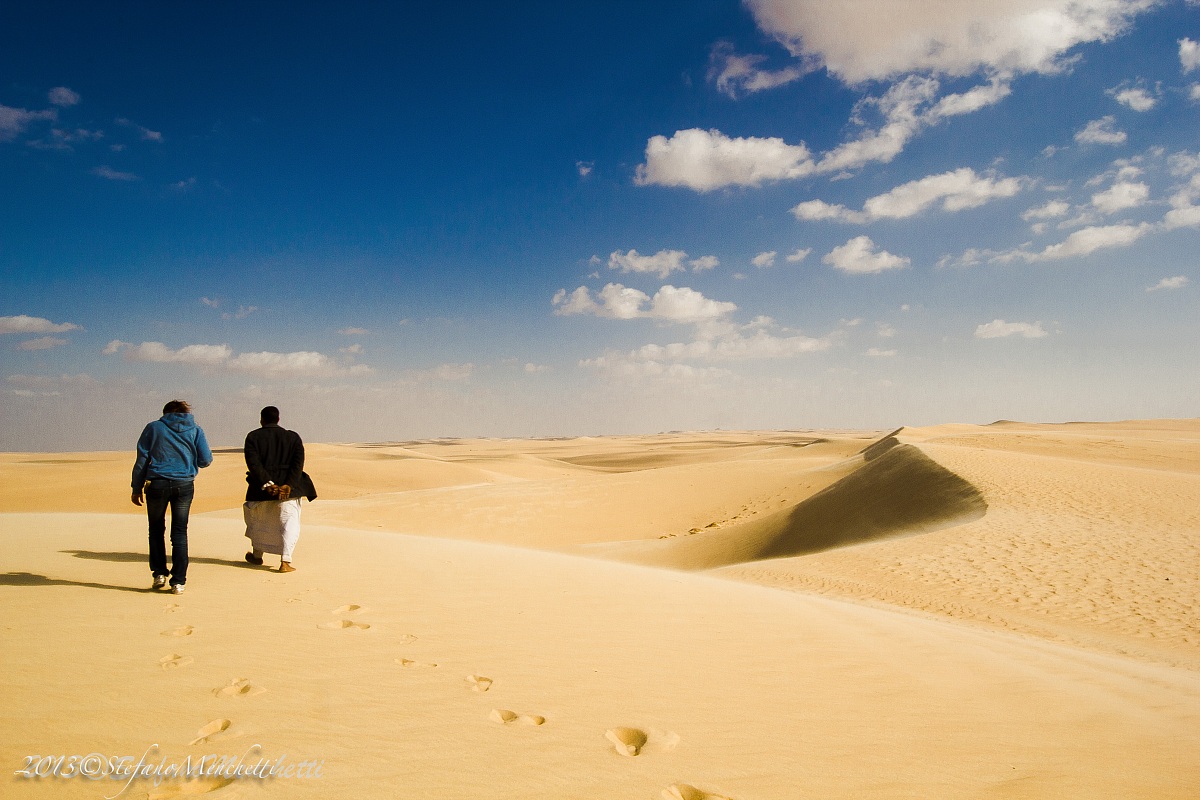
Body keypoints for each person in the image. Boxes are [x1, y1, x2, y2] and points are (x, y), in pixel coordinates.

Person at [132, 400, 213, 594]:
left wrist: (136, 487)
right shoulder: (195, 429)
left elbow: (142, 459)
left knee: (156, 529)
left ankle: (159, 573)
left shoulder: (154, 427)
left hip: (157, 484)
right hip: (184, 485)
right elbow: (206, 460)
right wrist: (188, 460)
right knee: (179, 532)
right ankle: (178, 581)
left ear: (165, 413)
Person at [242, 406, 316, 573]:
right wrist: (288, 484)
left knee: (260, 522)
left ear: (262, 420)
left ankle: (257, 556)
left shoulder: (253, 437)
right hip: (288, 491)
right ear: (278, 419)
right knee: (289, 523)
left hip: (260, 489)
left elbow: (253, 464)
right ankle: (285, 561)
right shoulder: (293, 437)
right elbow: (298, 464)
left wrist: (267, 484)